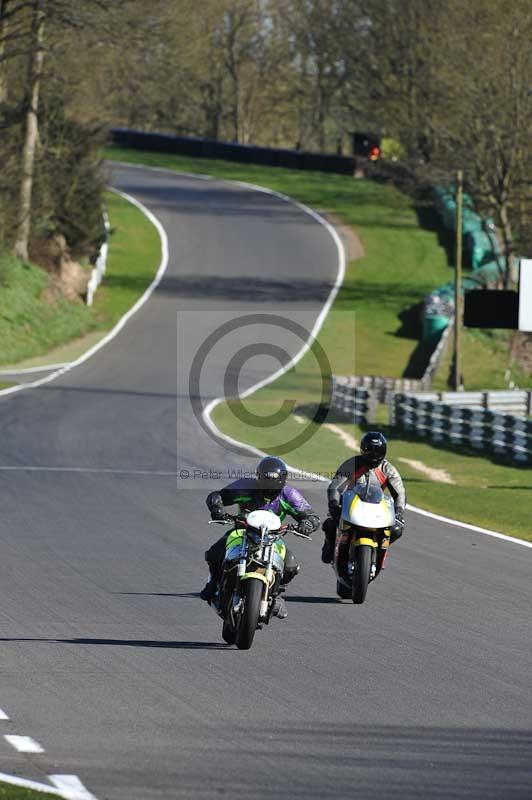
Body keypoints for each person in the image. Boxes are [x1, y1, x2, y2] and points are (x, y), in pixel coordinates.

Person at [200, 455, 320, 618]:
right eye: (265, 486)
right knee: (214, 552)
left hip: (272, 537)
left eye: (273, 488)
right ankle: (214, 582)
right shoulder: (246, 486)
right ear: (258, 478)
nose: (269, 492)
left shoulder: (289, 494)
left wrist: (307, 524)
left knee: (291, 566)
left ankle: (275, 594)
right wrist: (217, 509)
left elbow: (312, 516)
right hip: (242, 531)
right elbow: (217, 496)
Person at [321, 431, 406, 564]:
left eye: (377, 451)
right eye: (369, 450)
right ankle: (330, 545)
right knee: (330, 524)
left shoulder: (388, 469)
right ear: (362, 449)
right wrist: (333, 504)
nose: (373, 455)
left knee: (396, 529)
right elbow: (335, 486)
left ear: (384, 451)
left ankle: (379, 551)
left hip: (377, 507)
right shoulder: (352, 464)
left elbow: (399, 493)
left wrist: (399, 511)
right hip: (351, 503)